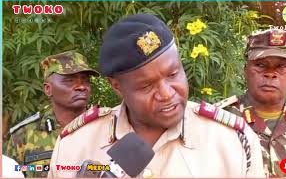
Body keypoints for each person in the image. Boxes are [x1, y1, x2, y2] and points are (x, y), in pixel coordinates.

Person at [48, 14, 265, 178]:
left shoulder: (233, 140)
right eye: (146, 86)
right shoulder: (75, 144)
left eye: (173, 74)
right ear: (117, 87)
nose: (167, 93)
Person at [213, 29, 286, 177]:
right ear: (245, 70)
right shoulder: (217, 120)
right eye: (261, 65)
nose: (270, 74)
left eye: (281, 67)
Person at [5, 51, 99, 177]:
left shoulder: (109, 128)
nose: (81, 87)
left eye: (86, 80)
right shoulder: (23, 136)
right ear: (48, 89)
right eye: (69, 81)